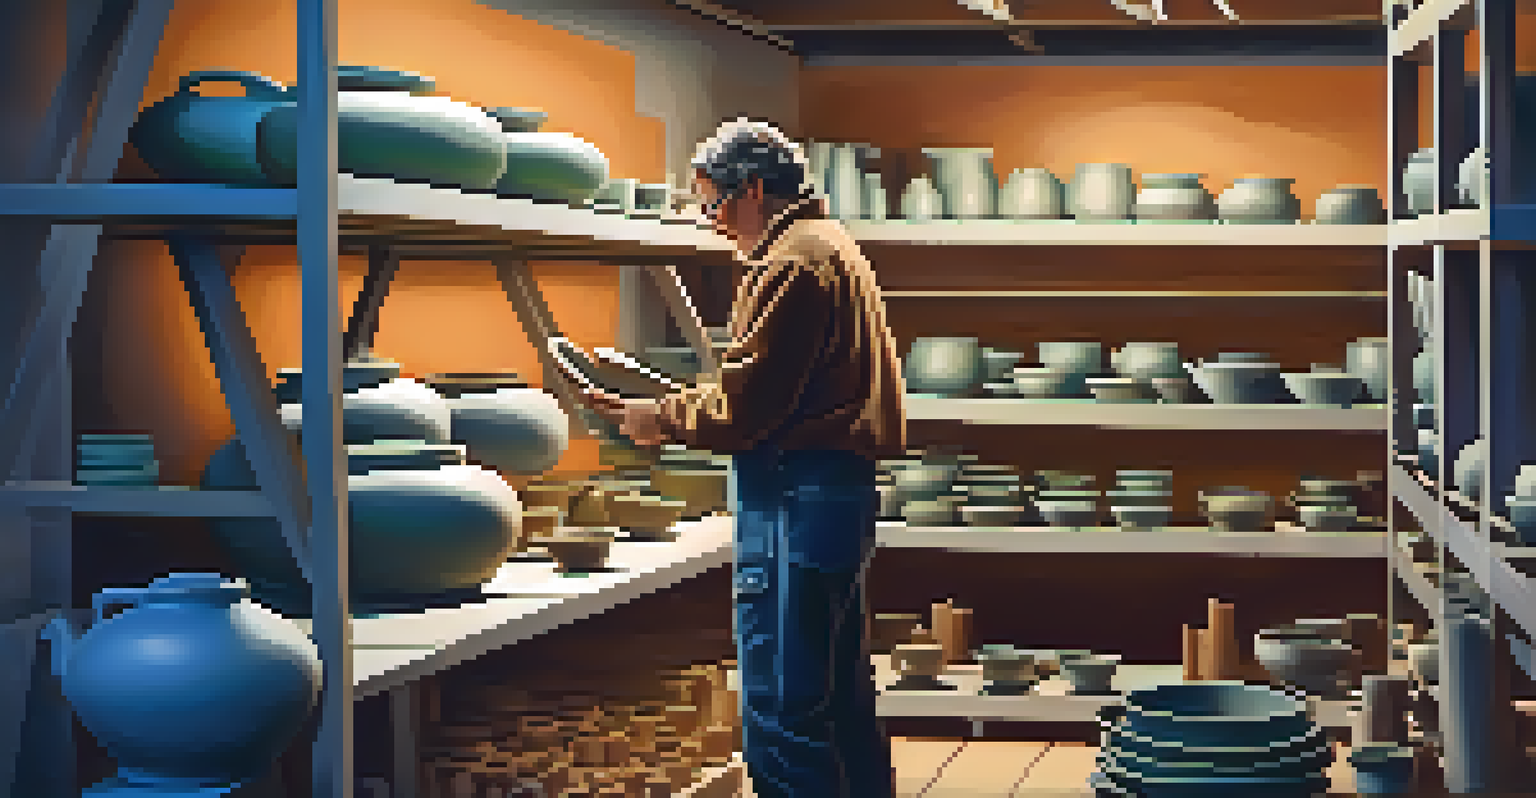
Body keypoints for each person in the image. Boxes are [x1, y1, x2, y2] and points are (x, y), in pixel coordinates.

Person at [572, 118, 906, 797]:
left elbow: (746, 410)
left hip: (794, 496)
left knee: (782, 707)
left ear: (754, 189)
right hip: (832, 493)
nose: (711, 220)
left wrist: (657, 417)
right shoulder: (829, 242)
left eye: (714, 203)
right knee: (838, 699)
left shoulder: (790, 262)